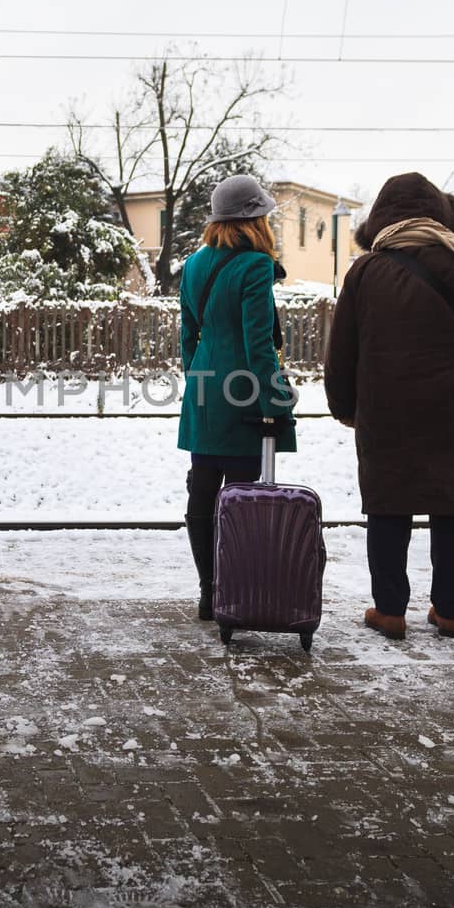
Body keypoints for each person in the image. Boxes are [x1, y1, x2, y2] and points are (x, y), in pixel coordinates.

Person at [324, 172, 454, 640]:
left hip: (387, 411)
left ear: (380, 221)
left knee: (389, 508)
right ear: (441, 214)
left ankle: (390, 611)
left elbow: (342, 351)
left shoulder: (365, 272)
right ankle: (449, 612)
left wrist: (346, 407)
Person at [177, 174, 298, 621]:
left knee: (203, 490)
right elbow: (259, 344)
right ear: (255, 219)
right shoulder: (255, 266)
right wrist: (274, 401)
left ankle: (209, 592)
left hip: (206, 390)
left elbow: (188, 335)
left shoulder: (192, 265)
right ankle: (236, 590)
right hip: (246, 393)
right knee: (244, 498)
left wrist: (201, 378)